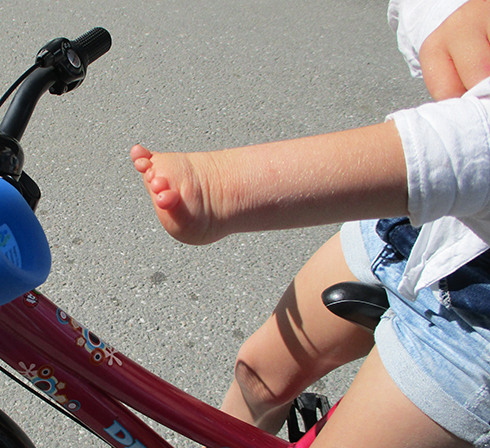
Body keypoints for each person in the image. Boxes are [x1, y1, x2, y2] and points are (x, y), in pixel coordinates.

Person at [131, 0, 490, 446]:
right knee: (258, 376)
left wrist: (226, 187)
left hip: (474, 326)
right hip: (417, 226)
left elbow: (470, 146)